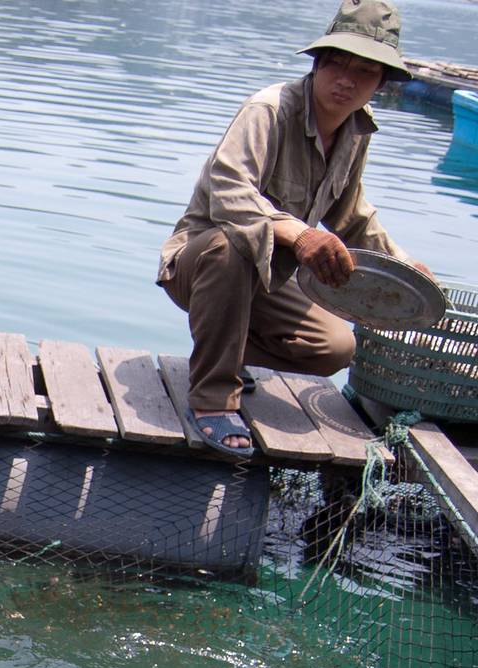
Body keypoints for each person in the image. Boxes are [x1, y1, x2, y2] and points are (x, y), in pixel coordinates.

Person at [156, 0, 430, 458]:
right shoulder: (269, 109)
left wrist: (404, 267)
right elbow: (229, 191)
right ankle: (211, 399)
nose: (346, 79)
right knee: (232, 245)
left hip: (270, 278)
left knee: (333, 349)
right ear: (319, 64)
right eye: (337, 64)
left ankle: (225, 356)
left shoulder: (354, 132)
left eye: (364, 71)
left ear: (380, 83)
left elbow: (353, 215)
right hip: (203, 263)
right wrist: (300, 234)